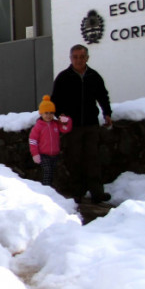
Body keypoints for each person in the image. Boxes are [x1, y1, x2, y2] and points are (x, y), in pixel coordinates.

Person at [51, 44, 113, 203]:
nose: (79, 60)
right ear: (71, 58)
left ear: (87, 58)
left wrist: (107, 113)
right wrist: (59, 114)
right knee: (74, 159)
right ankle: (77, 193)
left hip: (91, 124)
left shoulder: (94, 76)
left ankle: (97, 193)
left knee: (93, 159)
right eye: (76, 57)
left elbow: (102, 96)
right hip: (73, 126)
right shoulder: (63, 77)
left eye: (82, 57)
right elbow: (55, 100)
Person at [28, 95, 72, 189]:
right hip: (44, 155)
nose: (48, 115)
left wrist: (66, 121)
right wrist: (35, 154)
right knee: (47, 172)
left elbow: (65, 129)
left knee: (54, 173)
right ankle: (46, 190)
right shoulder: (38, 126)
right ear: (41, 113)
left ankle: (52, 191)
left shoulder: (56, 124)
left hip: (55, 154)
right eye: (46, 113)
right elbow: (33, 140)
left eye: (51, 113)